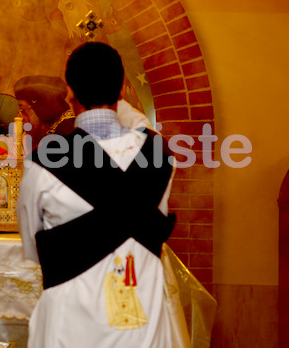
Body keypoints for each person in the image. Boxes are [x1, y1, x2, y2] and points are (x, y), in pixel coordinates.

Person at [16, 42, 176, 348]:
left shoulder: (45, 160)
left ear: (71, 93)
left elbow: (32, 245)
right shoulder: (161, 154)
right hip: (140, 317)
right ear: (121, 91)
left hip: (72, 319)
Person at [13, 75, 75, 150]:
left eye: (22, 109)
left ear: (38, 107)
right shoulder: (51, 126)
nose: (19, 117)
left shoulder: (66, 130)